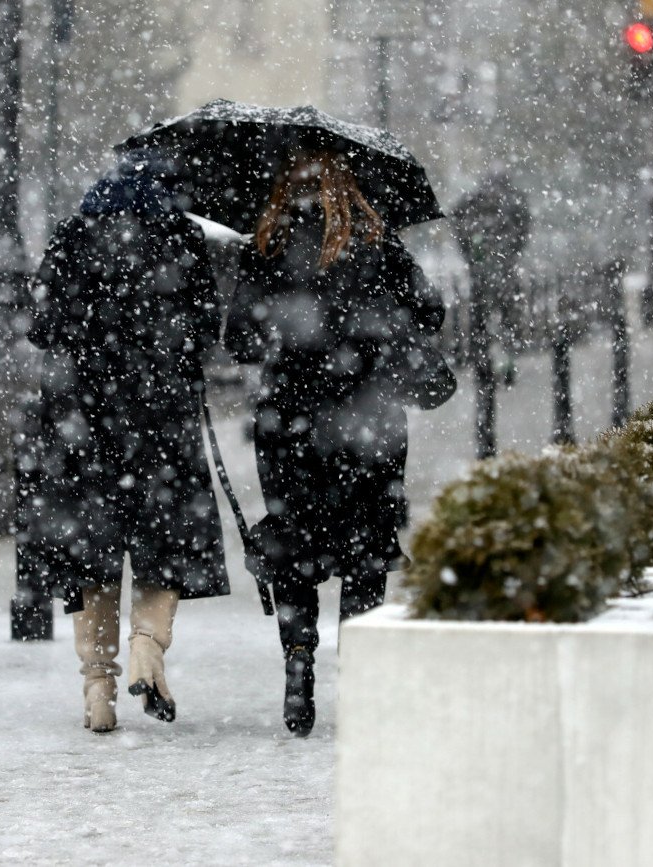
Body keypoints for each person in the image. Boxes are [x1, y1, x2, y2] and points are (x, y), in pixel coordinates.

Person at [225, 149, 445, 736]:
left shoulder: (265, 246)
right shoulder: (378, 243)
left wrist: (286, 331)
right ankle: (362, 668)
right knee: (366, 542)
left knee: (293, 538)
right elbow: (430, 313)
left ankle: (299, 662)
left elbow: (239, 339)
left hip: (288, 421)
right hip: (367, 418)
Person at [23, 150, 230, 734]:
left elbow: (42, 327)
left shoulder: (74, 235)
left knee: (92, 550)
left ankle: (98, 688)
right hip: (159, 417)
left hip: (82, 421)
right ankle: (147, 645)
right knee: (165, 539)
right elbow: (205, 330)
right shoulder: (180, 238)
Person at [450, 171, 531, 365]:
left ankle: (485, 355)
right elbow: (522, 230)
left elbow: (457, 220)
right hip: (498, 271)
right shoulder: (510, 204)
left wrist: (469, 252)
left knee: (485, 315)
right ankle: (501, 355)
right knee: (504, 314)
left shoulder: (476, 204)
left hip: (489, 272)